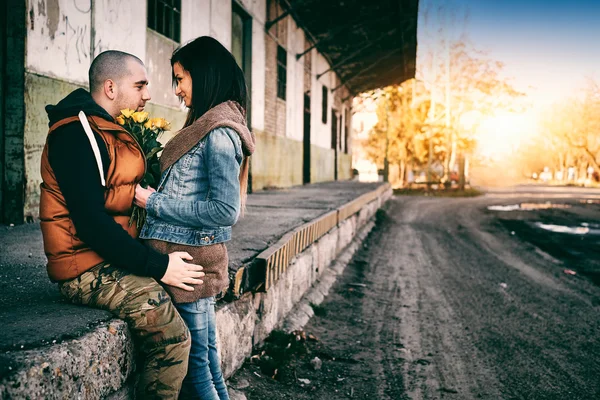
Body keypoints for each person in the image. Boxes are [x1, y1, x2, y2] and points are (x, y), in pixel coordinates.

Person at [39, 50, 206, 399]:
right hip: (84, 270)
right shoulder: (76, 133)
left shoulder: (105, 127)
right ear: (111, 87)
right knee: (173, 338)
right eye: (140, 85)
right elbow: (90, 223)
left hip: (103, 258)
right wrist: (159, 266)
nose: (148, 95)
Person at [134, 36, 255, 400]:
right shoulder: (212, 125)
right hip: (191, 256)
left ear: (203, 76)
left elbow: (224, 211)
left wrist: (154, 202)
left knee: (195, 369)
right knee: (207, 361)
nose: (177, 90)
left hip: (188, 260)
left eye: (180, 79)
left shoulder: (218, 134)